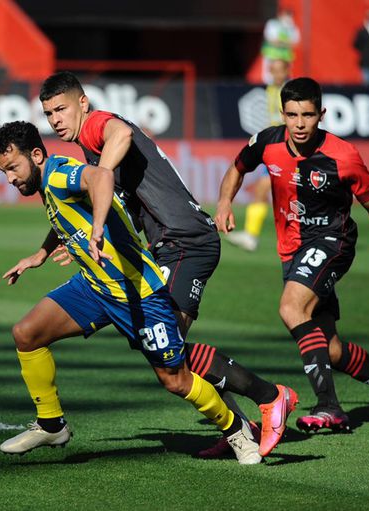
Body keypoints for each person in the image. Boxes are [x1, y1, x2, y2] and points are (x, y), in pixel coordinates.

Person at [38, 71, 297, 458]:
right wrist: (51, 245)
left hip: (184, 242)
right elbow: (99, 197)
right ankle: (240, 429)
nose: (56, 119)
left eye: (61, 108)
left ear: (83, 103)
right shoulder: (90, 151)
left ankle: (271, 396)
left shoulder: (95, 127)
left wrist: (103, 171)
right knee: (159, 348)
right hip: (169, 246)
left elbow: (120, 135)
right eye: (48, 113)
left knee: (167, 351)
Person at [0, 120, 263, 464]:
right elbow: (65, 215)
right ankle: (51, 424)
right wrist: (40, 254)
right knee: (26, 334)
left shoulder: (59, 173)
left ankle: (236, 429)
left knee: (175, 381)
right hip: (94, 286)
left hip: (137, 291)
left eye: (13, 168)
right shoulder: (47, 184)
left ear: (38, 155)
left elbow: (100, 177)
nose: (10, 178)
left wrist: (99, 227)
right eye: (4, 172)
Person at [214, 77, 369, 432]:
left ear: (322, 114)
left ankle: (329, 407)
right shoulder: (267, 142)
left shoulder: (343, 156)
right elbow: (237, 168)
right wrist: (224, 202)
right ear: (282, 113)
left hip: (334, 242)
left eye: (308, 115)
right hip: (293, 250)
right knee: (330, 351)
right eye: (293, 114)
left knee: (291, 307)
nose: (300, 124)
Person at [226, 59, 290, 252]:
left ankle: (252, 236)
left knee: (270, 189)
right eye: (272, 71)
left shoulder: (292, 91)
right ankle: (251, 235)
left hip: (286, 147)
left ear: (287, 70)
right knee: (262, 190)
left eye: (279, 71)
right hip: (273, 146)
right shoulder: (270, 90)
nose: (276, 75)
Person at [261, 8, 299, 85]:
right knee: (269, 77)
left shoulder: (292, 27)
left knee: (287, 79)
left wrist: (282, 42)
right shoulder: (272, 24)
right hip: (271, 55)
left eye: (290, 16)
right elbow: (272, 40)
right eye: (286, 15)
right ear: (280, 15)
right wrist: (285, 42)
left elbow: (295, 42)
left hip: (285, 57)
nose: (288, 18)